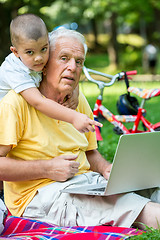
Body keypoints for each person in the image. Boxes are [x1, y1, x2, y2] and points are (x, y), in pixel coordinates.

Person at [0, 28, 160, 230]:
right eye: (64, 58)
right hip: (41, 195)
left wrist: (105, 169)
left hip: (87, 183)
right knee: (132, 207)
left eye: (79, 61)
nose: (72, 67)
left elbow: (90, 151)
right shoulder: (15, 103)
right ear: (45, 64)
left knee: (151, 187)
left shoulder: (77, 100)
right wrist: (47, 168)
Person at [0, 13, 102, 133]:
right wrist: (74, 117)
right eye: (30, 52)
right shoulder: (14, 70)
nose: (39, 58)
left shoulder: (37, 50)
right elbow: (38, 102)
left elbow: (70, 67)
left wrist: (74, 90)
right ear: (16, 52)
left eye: (43, 49)